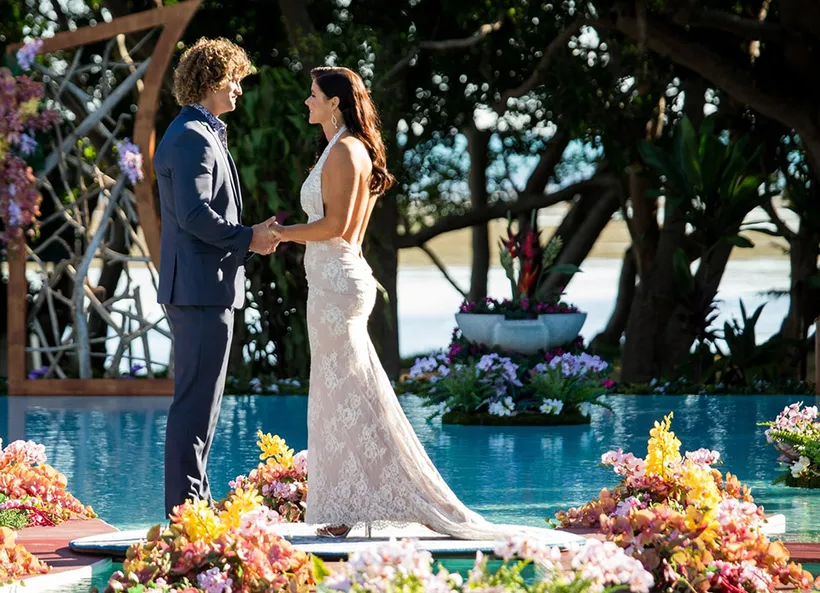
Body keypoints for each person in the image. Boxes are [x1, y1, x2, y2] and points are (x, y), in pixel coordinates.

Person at [269, 67, 578, 543]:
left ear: (335, 103)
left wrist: (280, 233)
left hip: (337, 287)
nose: (307, 101)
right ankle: (347, 505)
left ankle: (366, 503)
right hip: (332, 284)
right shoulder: (342, 148)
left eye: (313, 95)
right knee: (341, 395)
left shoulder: (346, 150)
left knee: (346, 396)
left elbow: (336, 227)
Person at [154, 37, 279, 518]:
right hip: (200, 290)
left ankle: (196, 509)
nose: (239, 90)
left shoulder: (197, 132)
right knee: (195, 407)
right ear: (210, 80)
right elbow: (193, 214)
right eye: (234, 80)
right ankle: (186, 517)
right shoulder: (193, 136)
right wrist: (249, 237)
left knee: (200, 406)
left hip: (201, 288)